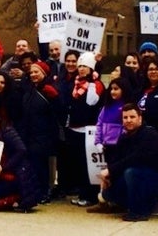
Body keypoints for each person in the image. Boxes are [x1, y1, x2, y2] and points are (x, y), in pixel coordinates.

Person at [97, 104, 158, 221]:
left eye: (132, 117)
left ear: (140, 118)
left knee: (131, 172)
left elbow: (136, 158)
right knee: (108, 193)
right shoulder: (124, 138)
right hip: (137, 178)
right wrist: (109, 177)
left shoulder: (149, 134)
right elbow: (118, 159)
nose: (128, 120)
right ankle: (144, 205)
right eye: (125, 118)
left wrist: (110, 170)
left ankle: (140, 212)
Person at [16, 60, 62, 204]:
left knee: (42, 165)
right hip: (30, 133)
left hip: (45, 134)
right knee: (33, 164)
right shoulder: (29, 89)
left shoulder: (49, 90)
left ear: (44, 73)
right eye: (31, 73)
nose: (33, 75)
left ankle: (45, 191)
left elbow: (57, 112)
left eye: (37, 72)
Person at [64, 52, 104, 207]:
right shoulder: (76, 83)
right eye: (79, 66)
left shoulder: (96, 84)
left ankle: (90, 195)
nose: (81, 69)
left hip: (88, 129)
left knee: (87, 165)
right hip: (74, 128)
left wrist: (93, 83)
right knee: (78, 165)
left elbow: (91, 102)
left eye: (84, 66)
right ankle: (82, 192)